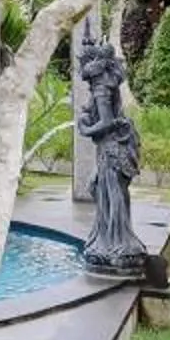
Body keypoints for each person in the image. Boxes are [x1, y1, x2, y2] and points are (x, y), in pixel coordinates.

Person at [72, 23, 143, 273]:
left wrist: (85, 129)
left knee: (110, 193)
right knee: (101, 189)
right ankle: (113, 239)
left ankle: (115, 243)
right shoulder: (104, 85)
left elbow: (106, 122)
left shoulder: (101, 87)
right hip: (113, 147)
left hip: (111, 150)